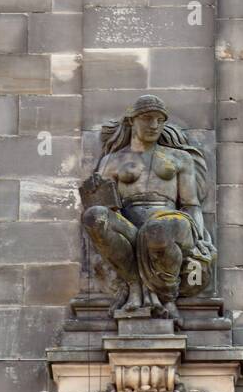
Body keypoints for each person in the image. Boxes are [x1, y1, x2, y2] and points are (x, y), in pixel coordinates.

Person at [82, 94, 215, 319]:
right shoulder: (111, 160)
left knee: (156, 230)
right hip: (129, 223)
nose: (154, 125)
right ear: (131, 121)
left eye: (160, 120)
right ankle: (134, 284)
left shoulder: (180, 158)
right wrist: (94, 192)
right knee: (94, 216)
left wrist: (200, 238)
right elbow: (106, 205)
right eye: (147, 118)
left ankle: (167, 296)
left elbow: (191, 204)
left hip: (171, 218)